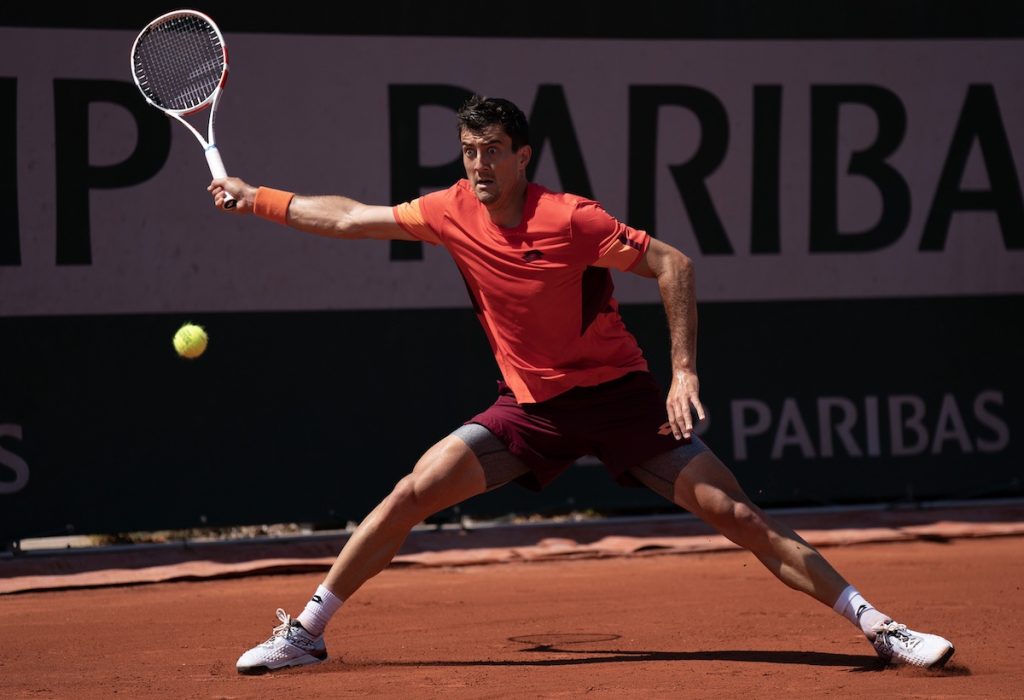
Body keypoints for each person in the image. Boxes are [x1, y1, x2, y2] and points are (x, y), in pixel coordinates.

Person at [209, 96, 954, 674]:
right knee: (413, 491)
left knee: (739, 516)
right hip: (531, 410)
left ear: (523, 156)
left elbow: (675, 264)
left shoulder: (572, 219)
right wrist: (258, 198)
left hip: (620, 400)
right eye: (469, 152)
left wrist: (683, 370)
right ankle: (305, 634)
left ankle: (880, 627)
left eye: (494, 151)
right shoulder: (449, 211)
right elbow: (346, 219)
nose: (479, 165)